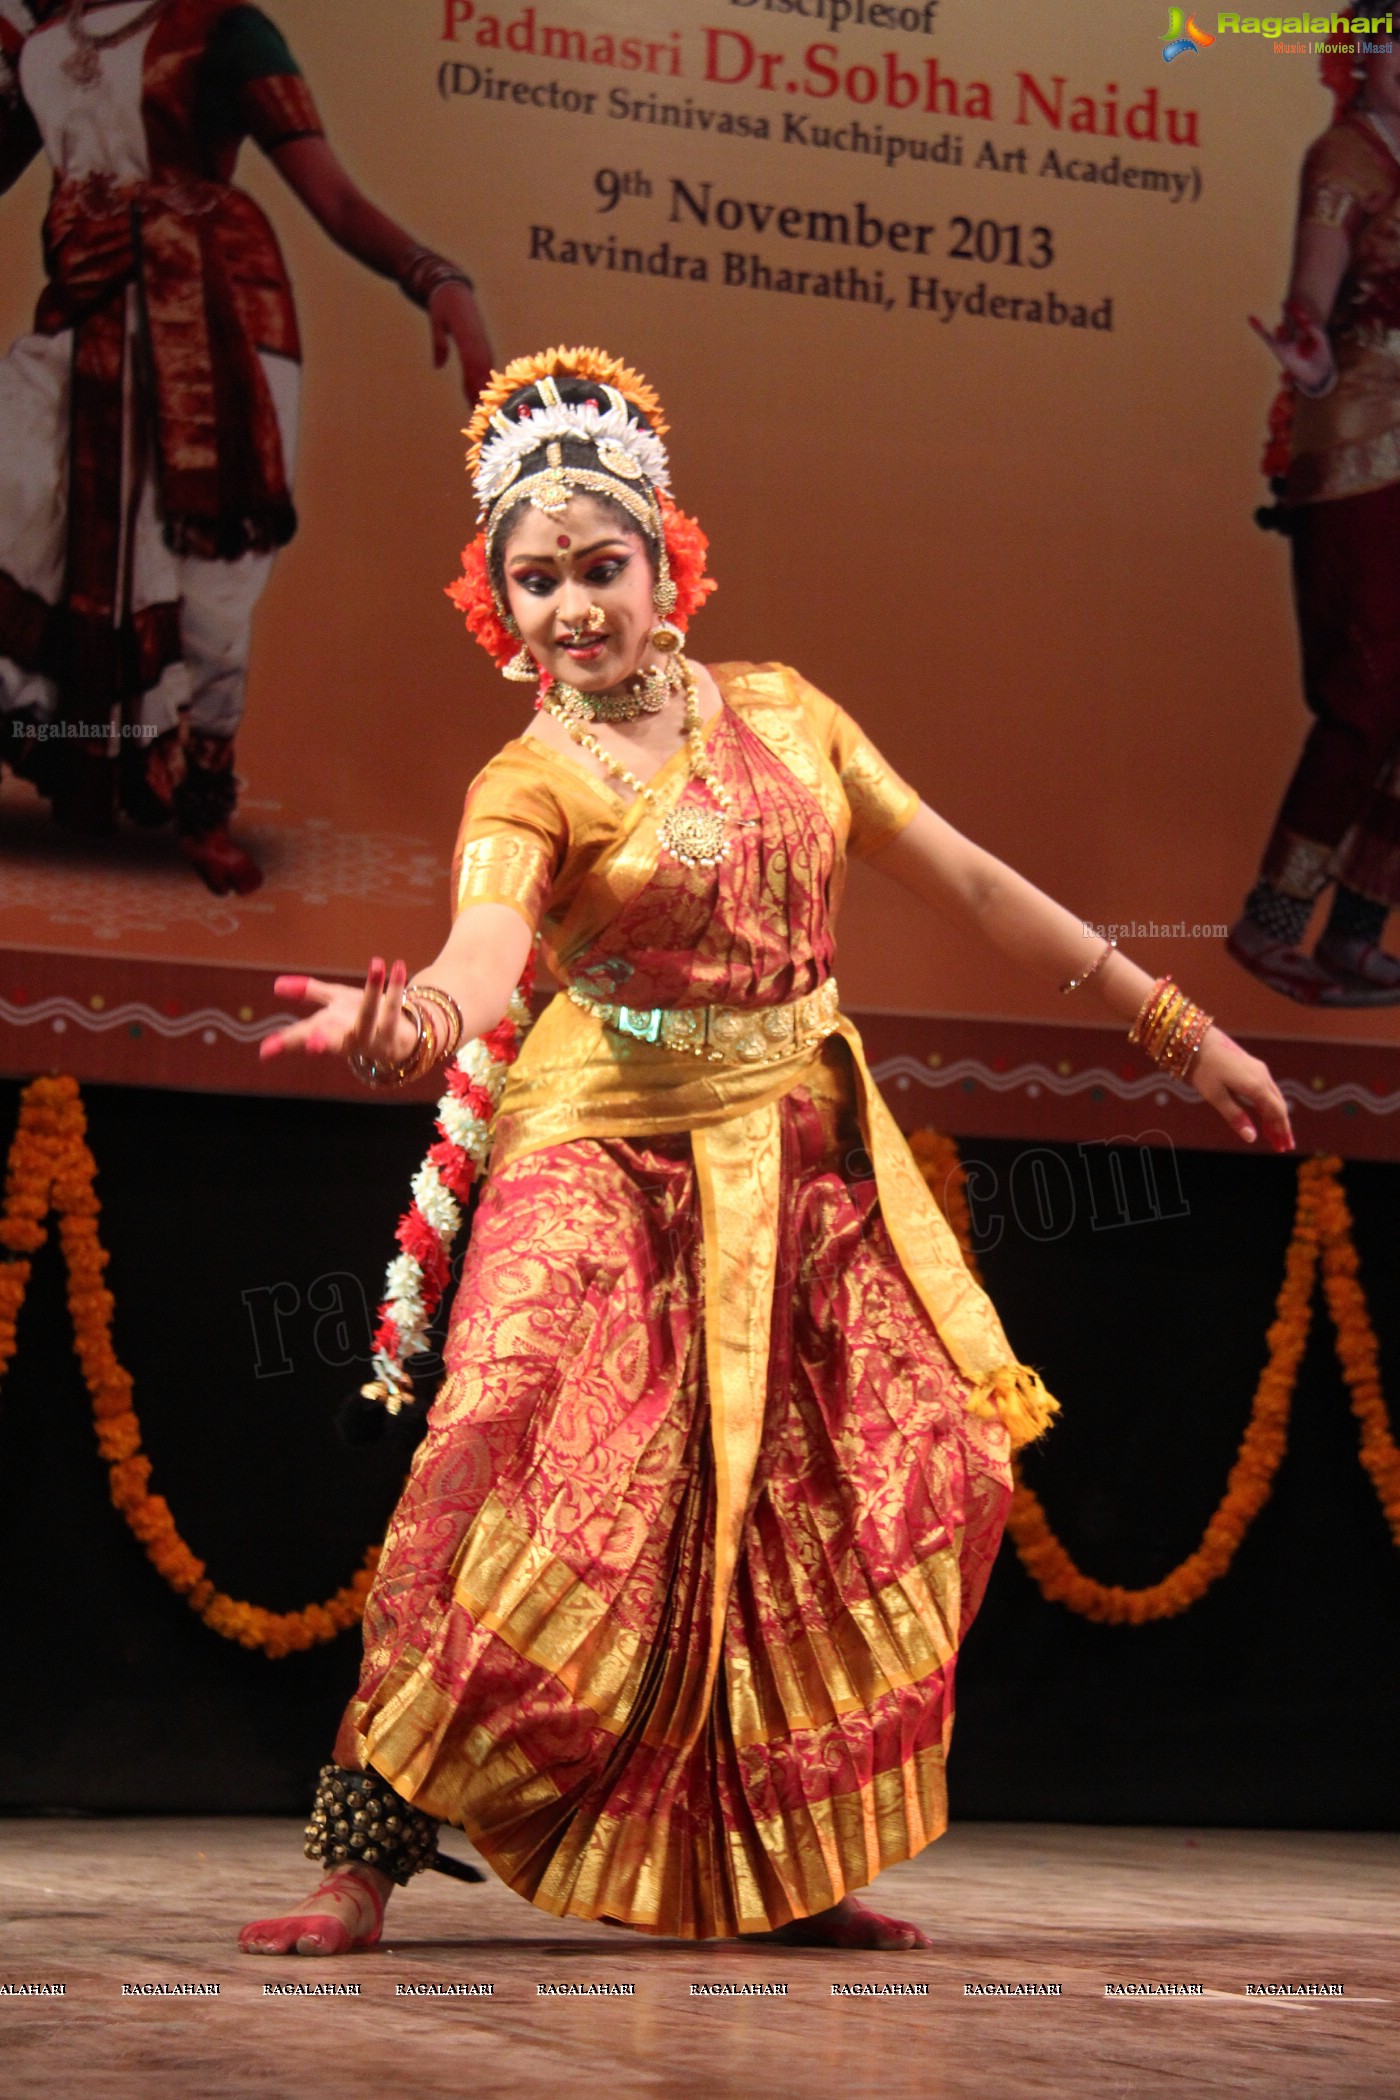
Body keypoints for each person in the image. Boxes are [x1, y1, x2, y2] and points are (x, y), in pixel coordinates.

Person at [239, 347, 1294, 1955]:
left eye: (603, 568)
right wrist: (410, 1031)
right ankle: (363, 1850)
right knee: (497, 1448)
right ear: (497, 607)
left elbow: (979, 879)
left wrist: (1181, 1027)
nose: (574, 608)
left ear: (672, 563)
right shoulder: (524, 781)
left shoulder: (791, 717)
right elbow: (476, 952)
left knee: (879, 1477)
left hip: (800, 1149)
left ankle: (777, 1856)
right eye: (537, 583)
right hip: (597, 1149)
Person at [0, 0, 491, 894]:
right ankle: (95, 754)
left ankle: (203, 801)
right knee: (24, 509)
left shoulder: (222, 28)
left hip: (216, 320)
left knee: (211, 579)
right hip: (83, 315)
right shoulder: (38, 39)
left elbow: (332, 196)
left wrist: (435, 276)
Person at [1232, 36, 1400, 1003]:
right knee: (1371, 689)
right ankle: (1275, 921)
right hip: (1358, 445)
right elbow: (1315, 287)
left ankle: (1359, 930)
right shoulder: (1347, 156)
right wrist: (1310, 346)